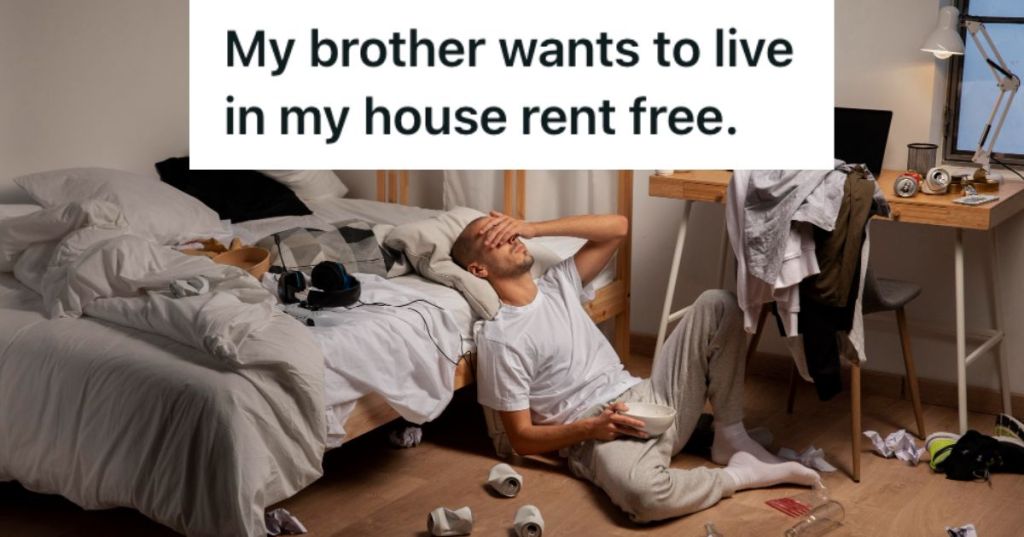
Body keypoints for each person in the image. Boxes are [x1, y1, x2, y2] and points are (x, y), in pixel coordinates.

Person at [451, 211, 820, 523]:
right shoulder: (502, 338)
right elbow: (520, 438)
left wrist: (533, 228)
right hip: (598, 432)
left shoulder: (557, 284)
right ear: (478, 268)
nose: (510, 236)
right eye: (493, 238)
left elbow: (618, 227)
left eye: (506, 229)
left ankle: (730, 435)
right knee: (643, 496)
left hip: (649, 395)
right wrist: (593, 428)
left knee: (719, 303)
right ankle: (739, 474)